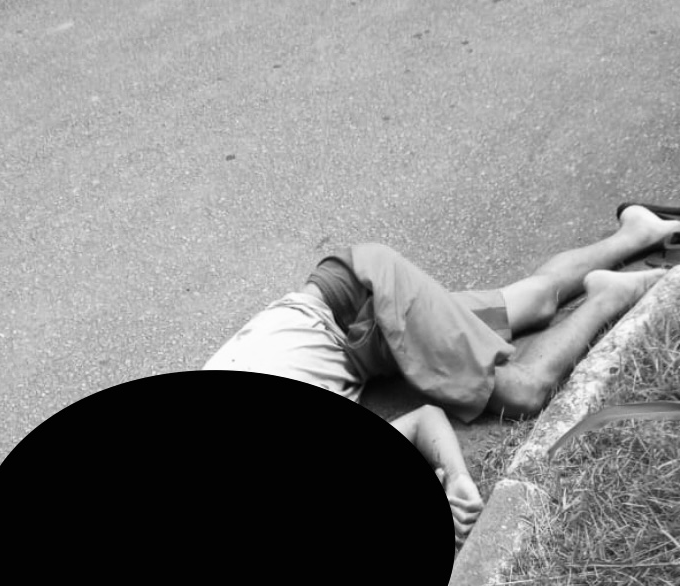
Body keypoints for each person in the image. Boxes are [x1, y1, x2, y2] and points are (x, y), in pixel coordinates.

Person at [202, 205, 675, 548]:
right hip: (343, 297)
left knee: (524, 389)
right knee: (533, 303)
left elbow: (425, 419)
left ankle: (608, 296)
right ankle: (637, 231)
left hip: (362, 302)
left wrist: (457, 478)